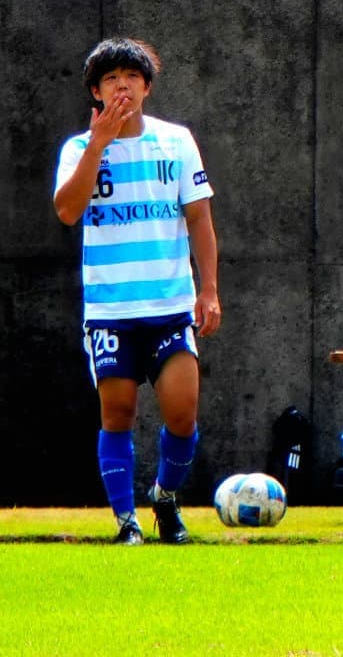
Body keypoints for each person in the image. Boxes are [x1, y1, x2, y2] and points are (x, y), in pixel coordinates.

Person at [53, 38, 221, 545]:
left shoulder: (176, 141)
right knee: (118, 414)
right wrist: (99, 145)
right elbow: (67, 210)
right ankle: (126, 521)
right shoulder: (78, 149)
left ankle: (165, 499)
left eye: (131, 76)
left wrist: (209, 290)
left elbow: (199, 218)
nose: (121, 85)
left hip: (170, 304)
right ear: (96, 92)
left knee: (183, 413)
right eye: (110, 79)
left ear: (147, 86)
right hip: (111, 309)